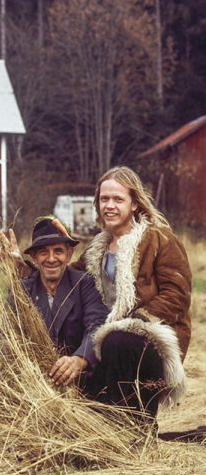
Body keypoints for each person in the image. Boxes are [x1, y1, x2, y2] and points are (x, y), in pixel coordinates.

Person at [74, 166, 191, 418]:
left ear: (134, 204)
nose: (109, 206)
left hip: (151, 339)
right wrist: (25, 263)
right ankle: (110, 422)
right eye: (104, 199)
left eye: (118, 199)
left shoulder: (159, 239)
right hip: (107, 337)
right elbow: (69, 280)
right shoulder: (97, 248)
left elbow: (177, 294)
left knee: (118, 340)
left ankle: (136, 421)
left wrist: (135, 321)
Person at [6, 216, 108, 387]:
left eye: (58, 251)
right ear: (34, 257)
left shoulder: (85, 284)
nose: (51, 258)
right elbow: (6, 338)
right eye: (44, 252)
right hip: (35, 381)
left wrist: (80, 358)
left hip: (81, 381)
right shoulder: (22, 290)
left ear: (69, 254)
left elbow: (97, 326)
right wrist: (27, 371)